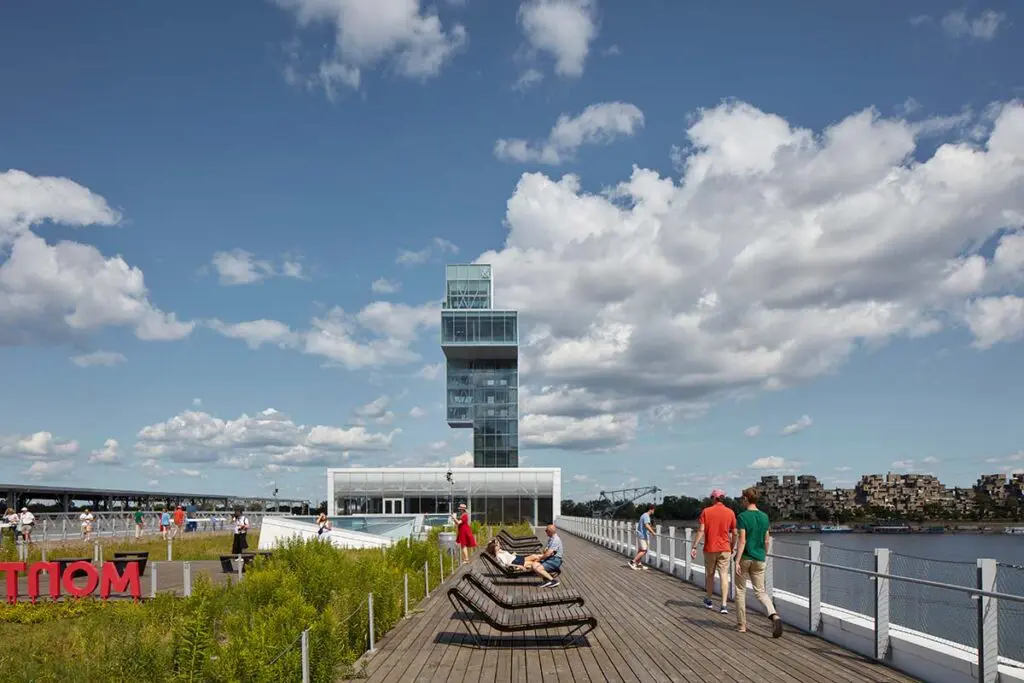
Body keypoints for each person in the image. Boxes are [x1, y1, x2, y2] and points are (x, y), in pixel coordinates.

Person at [735, 487, 783, 637]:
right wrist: (764, 554)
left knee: (740, 591)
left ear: (746, 499)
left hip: (745, 558)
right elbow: (767, 540)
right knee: (760, 592)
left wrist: (736, 560)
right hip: (759, 558)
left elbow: (742, 541)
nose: (742, 500)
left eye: (742, 498)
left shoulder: (742, 517)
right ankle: (774, 615)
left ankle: (742, 625)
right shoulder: (764, 517)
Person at [690, 488, 736, 614]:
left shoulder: (706, 511)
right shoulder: (730, 512)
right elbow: (734, 532)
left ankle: (709, 600)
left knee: (710, 575)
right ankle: (724, 605)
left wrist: (694, 546)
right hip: (725, 548)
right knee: (724, 575)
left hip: (710, 548)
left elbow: (701, 530)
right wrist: (732, 546)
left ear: (714, 498)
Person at [629, 502, 656, 570]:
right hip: (642, 536)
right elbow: (646, 525)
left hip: (642, 535)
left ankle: (639, 563)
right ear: (651, 509)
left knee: (642, 550)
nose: (654, 511)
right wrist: (653, 532)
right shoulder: (646, 516)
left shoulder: (643, 515)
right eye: (653, 510)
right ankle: (632, 562)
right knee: (643, 550)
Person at [535, 524, 564, 588]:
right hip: (551, 558)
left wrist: (540, 559)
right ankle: (546, 580)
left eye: (546, 530)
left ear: (550, 531)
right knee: (534, 565)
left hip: (555, 560)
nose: (545, 532)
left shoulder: (555, 540)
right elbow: (545, 551)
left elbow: (548, 553)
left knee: (538, 568)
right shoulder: (551, 539)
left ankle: (552, 581)